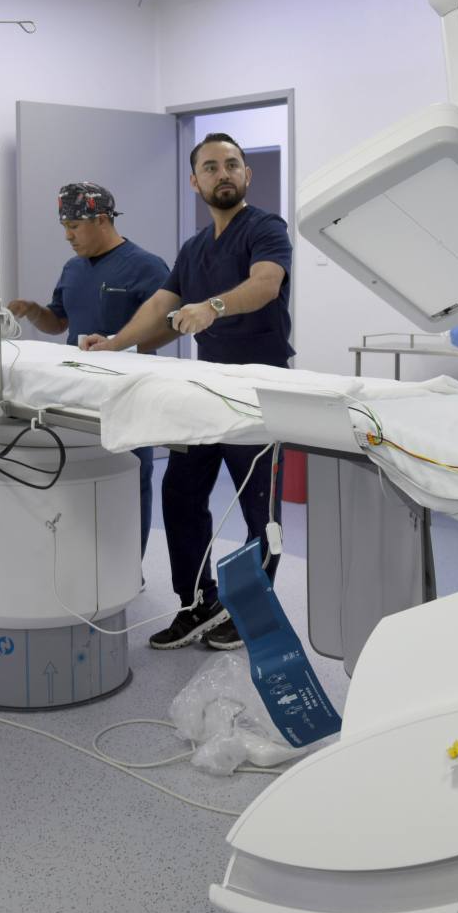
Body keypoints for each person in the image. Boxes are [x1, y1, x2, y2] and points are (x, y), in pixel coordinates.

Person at [79, 134, 292, 651]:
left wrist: (213, 307)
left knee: (258, 511)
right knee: (180, 495)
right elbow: (163, 306)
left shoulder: (265, 228)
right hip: (205, 391)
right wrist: (115, 343)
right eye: (211, 167)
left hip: (258, 392)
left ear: (247, 175)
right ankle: (198, 602)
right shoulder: (194, 248)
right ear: (195, 181)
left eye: (233, 164)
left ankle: (249, 614)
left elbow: (266, 283)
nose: (224, 173)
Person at [7, 181, 169, 557]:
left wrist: (117, 343)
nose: (67, 235)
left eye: (74, 226)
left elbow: (167, 328)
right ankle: (82, 564)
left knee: (130, 480)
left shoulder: (147, 267)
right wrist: (33, 310)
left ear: (101, 220)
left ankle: (129, 567)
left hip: (126, 394)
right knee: (78, 480)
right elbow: (58, 322)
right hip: (76, 396)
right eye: (64, 226)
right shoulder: (73, 268)